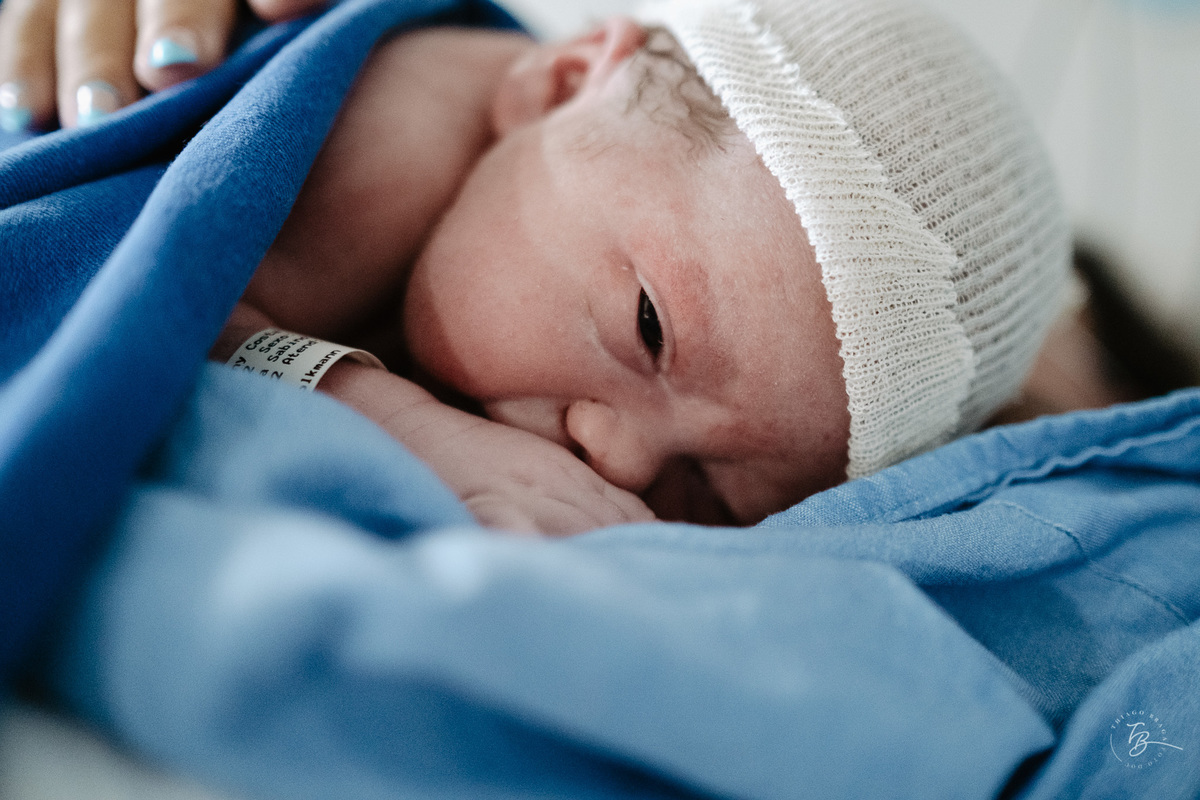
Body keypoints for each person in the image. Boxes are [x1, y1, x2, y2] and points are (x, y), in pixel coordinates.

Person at [0, 0, 1070, 534]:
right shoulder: (389, 140)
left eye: (705, 489)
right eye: (649, 327)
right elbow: (175, 319)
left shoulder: (530, 210)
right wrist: (413, 427)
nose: (619, 460)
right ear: (560, 86)